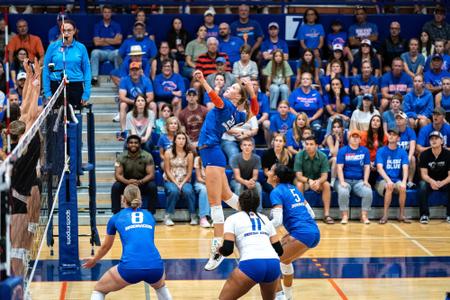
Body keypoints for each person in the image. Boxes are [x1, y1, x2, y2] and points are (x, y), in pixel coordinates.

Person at [195, 69, 258, 270]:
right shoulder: (238, 113)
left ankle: (217, 251)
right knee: (226, 196)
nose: (228, 88)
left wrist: (203, 80)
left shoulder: (226, 105)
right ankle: (255, 219)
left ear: (237, 97)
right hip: (213, 153)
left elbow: (214, 96)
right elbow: (254, 111)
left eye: (232, 88)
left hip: (212, 153)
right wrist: (251, 90)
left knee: (215, 205)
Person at [83, 185, 173, 300]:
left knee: (99, 290)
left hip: (130, 267)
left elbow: (106, 247)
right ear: (140, 199)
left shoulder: (116, 218)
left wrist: (94, 259)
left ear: (123, 199)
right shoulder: (149, 216)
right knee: (161, 287)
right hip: (155, 266)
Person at [8, 58, 42, 276]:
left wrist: (31, 79)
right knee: (16, 249)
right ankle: (18, 286)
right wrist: (35, 82)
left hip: (21, 193)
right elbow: (29, 110)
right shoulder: (24, 139)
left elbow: (26, 108)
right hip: (17, 197)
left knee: (21, 245)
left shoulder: (19, 129)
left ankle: (20, 278)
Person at [218, 189, 282, 300]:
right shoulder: (265, 219)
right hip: (273, 264)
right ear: (257, 204)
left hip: (251, 264)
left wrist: (219, 250)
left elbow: (228, 249)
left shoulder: (232, 219)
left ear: (239, 203)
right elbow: (279, 250)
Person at [268, 164, 320, 300]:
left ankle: (281, 298)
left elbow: (278, 220)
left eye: (271, 170)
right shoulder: (294, 189)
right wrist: (292, 231)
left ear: (275, 177)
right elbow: (311, 213)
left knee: (270, 263)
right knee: (285, 262)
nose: (267, 172)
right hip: (313, 231)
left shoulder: (276, 192)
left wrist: (262, 227)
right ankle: (289, 297)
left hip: (301, 233)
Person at [43, 19, 91, 110]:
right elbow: (46, 70)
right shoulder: (53, 47)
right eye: (64, 30)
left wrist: (86, 93)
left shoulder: (81, 48)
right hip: (56, 85)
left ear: (74, 31)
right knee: (57, 119)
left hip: (76, 86)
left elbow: (87, 70)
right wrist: (47, 92)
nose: (66, 33)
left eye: (69, 30)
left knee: (74, 118)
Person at [111, 135, 158, 214]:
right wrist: (127, 182)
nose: (133, 144)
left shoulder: (147, 156)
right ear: (127, 144)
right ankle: (116, 214)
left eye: (136, 143)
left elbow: (151, 174)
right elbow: (117, 175)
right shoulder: (120, 157)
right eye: (131, 143)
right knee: (116, 187)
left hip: (142, 183)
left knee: (152, 186)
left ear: (139, 144)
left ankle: (151, 213)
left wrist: (140, 182)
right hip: (126, 183)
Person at [336, 129, 372, 224]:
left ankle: (363, 216)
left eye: (357, 137)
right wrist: (342, 181)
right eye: (353, 137)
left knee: (368, 191)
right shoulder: (343, 150)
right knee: (343, 191)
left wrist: (366, 180)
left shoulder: (365, 151)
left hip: (359, 181)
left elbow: (367, 167)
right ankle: (344, 215)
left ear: (360, 139)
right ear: (349, 138)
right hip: (345, 180)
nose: (355, 139)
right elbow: (339, 167)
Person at [294, 136, 332, 224]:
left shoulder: (323, 156)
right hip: (304, 181)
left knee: (326, 184)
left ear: (316, 146)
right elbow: (299, 176)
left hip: (317, 181)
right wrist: (309, 181)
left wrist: (318, 182)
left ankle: (326, 215)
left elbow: (325, 176)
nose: (308, 146)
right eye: (306, 144)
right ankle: (301, 214)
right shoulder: (299, 155)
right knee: (299, 184)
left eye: (311, 144)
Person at [376, 128, 410, 224]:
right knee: (389, 186)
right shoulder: (381, 151)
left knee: (403, 188)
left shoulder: (402, 152)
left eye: (394, 135)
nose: (391, 136)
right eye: (389, 134)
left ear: (398, 138)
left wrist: (404, 181)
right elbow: (379, 168)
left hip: (396, 180)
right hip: (382, 180)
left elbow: (405, 168)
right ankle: (385, 215)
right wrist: (388, 180)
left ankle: (401, 215)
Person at [163, 132, 196, 226]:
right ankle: (168, 216)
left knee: (188, 191)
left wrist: (182, 183)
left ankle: (193, 215)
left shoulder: (189, 154)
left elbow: (189, 172)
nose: (181, 141)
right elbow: (167, 170)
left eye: (183, 139)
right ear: (175, 140)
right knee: (174, 191)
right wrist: (176, 183)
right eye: (179, 138)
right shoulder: (168, 152)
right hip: (170, 179)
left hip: (185, 179)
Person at [418, 131, 450, 224]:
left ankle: (449, 215)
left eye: (436, 138)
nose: (434, 140)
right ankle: (424, 215)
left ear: (442, 141)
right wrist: (432, 182)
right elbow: (424, 175)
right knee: (422, 185)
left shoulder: (448, 154)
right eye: (431, 139)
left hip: (444, 181)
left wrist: (442, 183)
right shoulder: (424, 155)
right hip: (429, 181)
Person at [118, 62, 155, 134]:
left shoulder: (146, 80)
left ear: (140, 71)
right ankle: (124, 131)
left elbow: (151, 97)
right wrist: (135, 102)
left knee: (153, 105)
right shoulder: (124, 80)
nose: (135, 72)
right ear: (129, 72)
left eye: (137, 70)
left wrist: (141, 103)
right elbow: (122, 97)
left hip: (142, 102)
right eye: (132, 70)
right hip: (130, 102)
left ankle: (151, 129)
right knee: (123, 105)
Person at [90, 5, 122, 86]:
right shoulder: (97, 25)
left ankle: (118, 77)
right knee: (94, 52)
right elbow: (96, 42)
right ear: (102, 13)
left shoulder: (116, 25)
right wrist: (112, 40)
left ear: (111, 13)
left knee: (118, 52)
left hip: (112, 52)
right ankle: (94, 78)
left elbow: (118, 41)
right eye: (105, 12)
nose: (107, 14)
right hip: (102, 52)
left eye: (108, 12)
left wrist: (103, 39)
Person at [230, 138, 262, 209]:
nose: (247, 147)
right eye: (245, 145)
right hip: (236, 181)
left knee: (258, 185)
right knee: (238, 186)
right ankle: (239, 210)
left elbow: (255, 176)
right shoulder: (235, 157)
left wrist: (251, 181)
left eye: (249, 145)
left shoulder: (257, 158)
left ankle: (258, 210)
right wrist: (246, 183)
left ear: (252, 147)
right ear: (241, 147)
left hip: (250, 180)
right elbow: (237, 177)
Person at [289, 72, 323, 137]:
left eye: (307, 79)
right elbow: (290, 107)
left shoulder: (316, 93)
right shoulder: (295, 92)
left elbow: (320, 109)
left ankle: (314, 144)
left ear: (311, 81)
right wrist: (299, 116)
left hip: (313, 118)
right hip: (297, 118)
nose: (305, 80)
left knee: (317, 128)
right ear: (301, 81)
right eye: (303, 79)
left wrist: (312, 118)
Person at [395, 111, 417, 188]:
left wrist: (409, 157)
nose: (398, 120)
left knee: (413, 158)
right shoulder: (393, 131)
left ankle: (410, 182)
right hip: (395, 155)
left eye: (400, 118)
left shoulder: (410, 131)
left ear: (406, 120)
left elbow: (412, 146)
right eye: (397, 118)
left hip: (406, 155)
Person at [325, 118, 348, 187]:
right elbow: (334, 154)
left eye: (338, 127)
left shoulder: (346, 135)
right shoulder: (330, 137)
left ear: (342, 128)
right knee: (335, 159)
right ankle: (332, 182)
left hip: (344, 159)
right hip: (331, 160)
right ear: (332, 129)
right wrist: (337, 141)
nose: (336, 129)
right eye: (334, 127)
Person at [193, 156, 212, 228]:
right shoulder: (198, 159)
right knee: (204, 190)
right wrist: (207, 183)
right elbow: (198, 178)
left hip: (213, 182)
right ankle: (203, 217)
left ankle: (214, 217)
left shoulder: (215, 158)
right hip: (200, 182)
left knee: (216, 189)